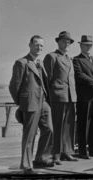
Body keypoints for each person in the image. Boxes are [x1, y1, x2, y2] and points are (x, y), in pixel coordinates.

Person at [9, 35, 54, 174]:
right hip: (30, 103)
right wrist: (21, 102)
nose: (39, 47)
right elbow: (14, 85)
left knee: (49, 130)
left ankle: (42, 158)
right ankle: (27, 166)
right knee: (30, 135)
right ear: (29, 45)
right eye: (36, 44)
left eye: (41, 45)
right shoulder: (21, 63)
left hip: (44, 102)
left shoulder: (40, 62)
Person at [43, 31, 78, 164]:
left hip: (70, 97)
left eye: (68, 41)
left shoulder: (69, 59)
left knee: (68, 127)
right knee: (57, 126)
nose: (66, 43)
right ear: (58, 42)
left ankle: (67, 152)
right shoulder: (51, 57)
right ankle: (56, 154)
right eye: (64, 41)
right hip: (57, 97)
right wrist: (48, 98)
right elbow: (47, 80)